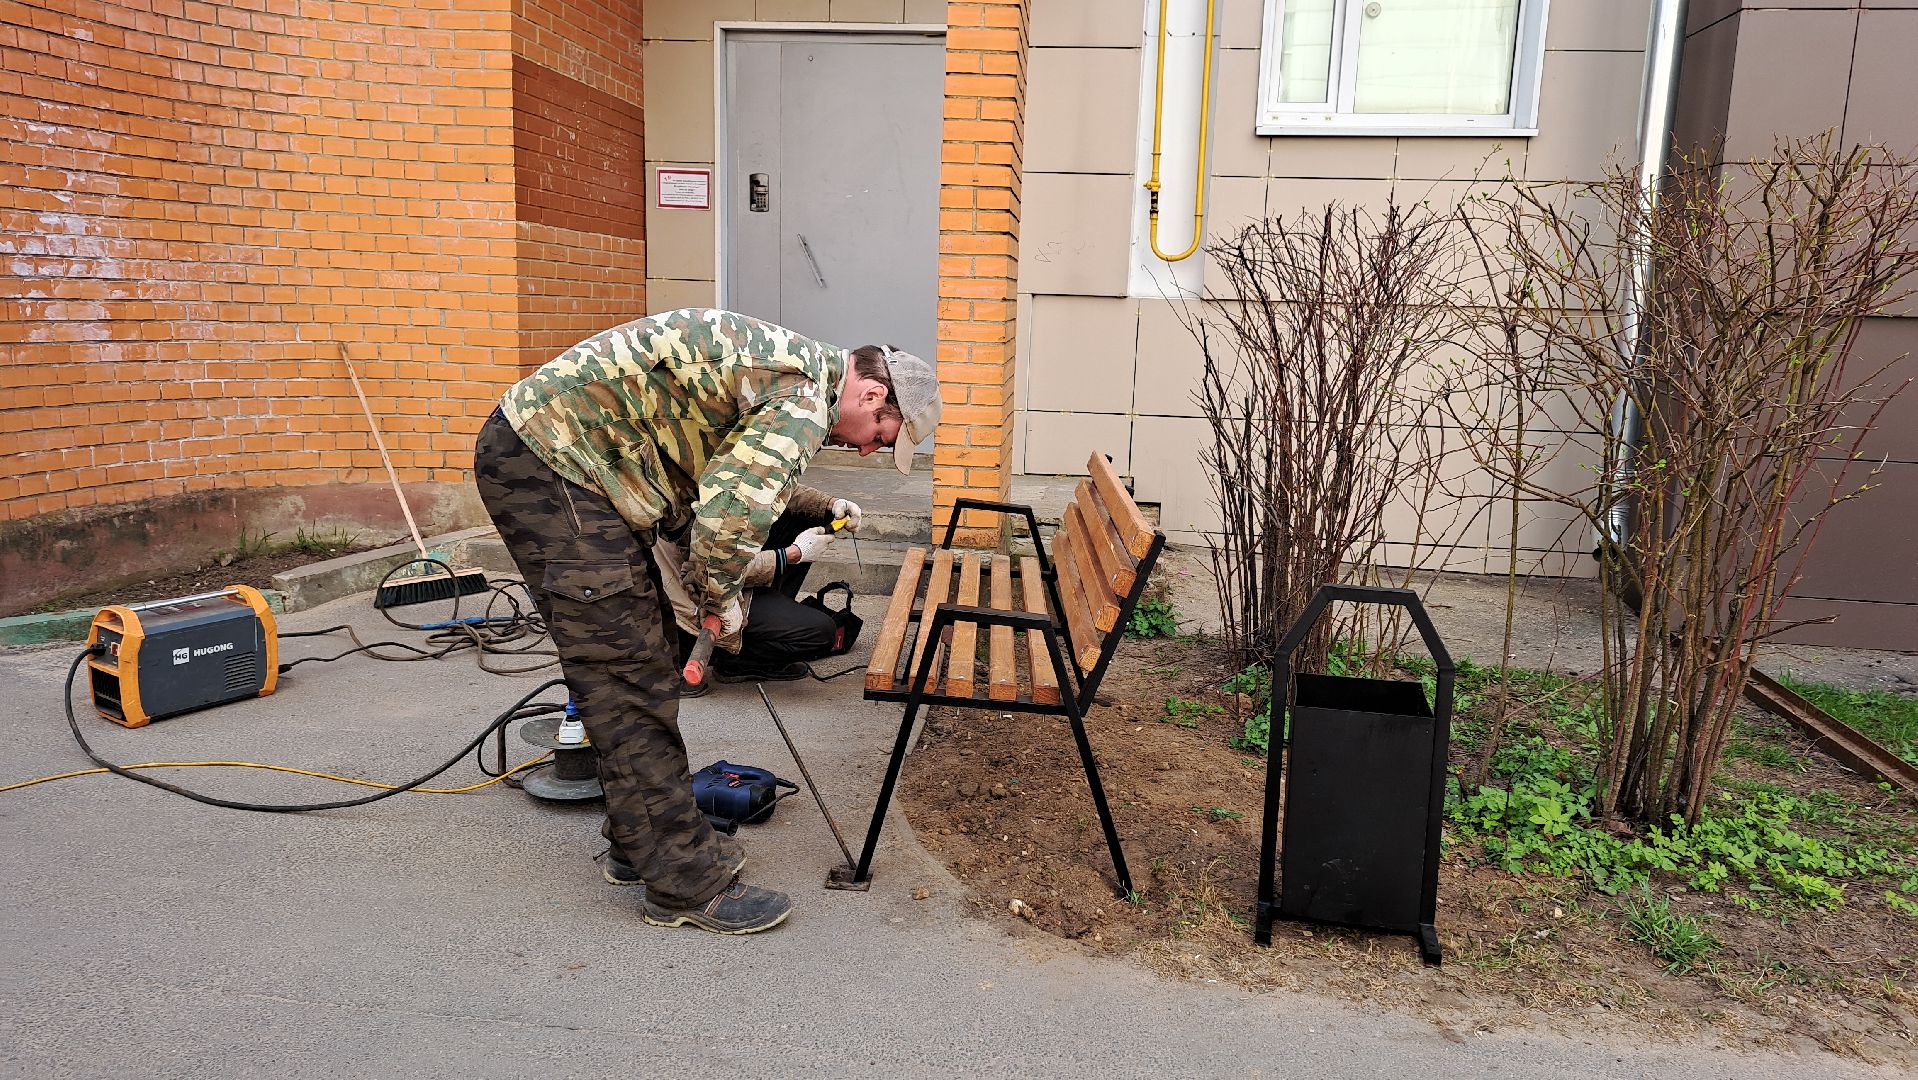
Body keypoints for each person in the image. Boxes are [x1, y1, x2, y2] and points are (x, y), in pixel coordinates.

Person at [472, 309, 939, 935]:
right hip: (550, 462)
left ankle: (641, 844)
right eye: (881, 435)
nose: (866, 448)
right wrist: (721, 601)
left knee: (648, 653)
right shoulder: (801, 401)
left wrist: (782, 536)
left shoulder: (798, 378)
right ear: (873, 394)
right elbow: (725, 522)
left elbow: (724, 478)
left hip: (575, 463)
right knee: (626, 675)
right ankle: (683, 883)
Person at [654, 488, 861, 692]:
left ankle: (769, 618)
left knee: (810, 513)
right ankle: (735, 658)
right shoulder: (688, 500)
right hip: (702, 595)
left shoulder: (718, 465)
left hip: (728, 572)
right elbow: (713, 569)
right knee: (821, 633)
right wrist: (793, 554)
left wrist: (830, 503)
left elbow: (772, 486)